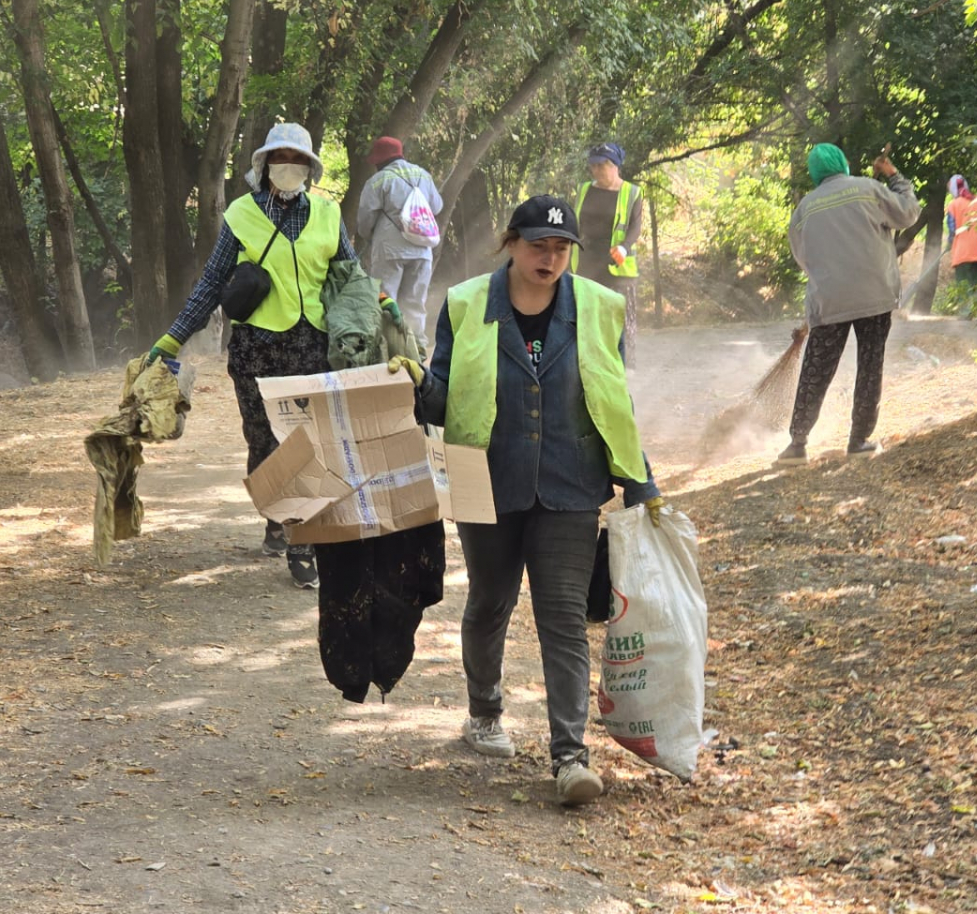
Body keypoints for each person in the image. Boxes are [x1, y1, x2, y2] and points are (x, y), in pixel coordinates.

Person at [389, 194, 663, 806]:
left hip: (570, 482)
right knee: (489, 602)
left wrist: (640, 480)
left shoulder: (597, 307)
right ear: (511, 242)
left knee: (563, 617)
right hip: (484, 477)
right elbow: (439, 402)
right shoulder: (464, 305)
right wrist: (409, 381)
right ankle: (484, 712)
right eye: (538, 245)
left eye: (561, 248)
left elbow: (612, 401)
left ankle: (570, 757)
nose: (550, 257)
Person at [147, 123, 357, 589]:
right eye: (280, 157)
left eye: (297, 158)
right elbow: (211, 283)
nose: (289, 166)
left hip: (313, 346)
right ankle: (276, 519)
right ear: (265, 165)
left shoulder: (327, 213)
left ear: (309, 166)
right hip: (257, 350)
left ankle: (302, 544)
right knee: (264, 445)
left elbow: (350, 273)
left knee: (307, 444)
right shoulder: (242, 214)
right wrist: (174, 338)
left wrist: (380, 309)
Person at [777, 144, 920, 466]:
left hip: (829, 300)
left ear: (814, 172)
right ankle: (859, 441)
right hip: (875, 295)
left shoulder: (804, 209)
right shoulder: (869, 189)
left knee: (817, 368)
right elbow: (908, 213)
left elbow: (803, 258)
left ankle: (796, 445)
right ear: (843, 162)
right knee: (870, 365)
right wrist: (894, 176)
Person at [356, 136, 443, 357]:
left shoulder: (378, 180)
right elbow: (437, 206)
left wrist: (368, 237)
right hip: (422, 248)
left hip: (389, 250)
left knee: (386, 300)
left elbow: (365, 220)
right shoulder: (423, 174)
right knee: (415, 302)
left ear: (379, 160)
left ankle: (389, 351)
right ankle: (417, 352)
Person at [571, 142, 643, 363]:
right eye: (593, 166)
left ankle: (623, 364)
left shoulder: (632, 192)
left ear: (615, 166)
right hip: (586, 260)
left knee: (619, 315)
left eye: (601, 166)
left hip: (616, 262)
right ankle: (590, 361)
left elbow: (635, 226)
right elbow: (574, 221)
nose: (596, 171)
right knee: (587, 314)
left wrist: (624, 247)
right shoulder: (584, 189)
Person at [946, 174, 977, 290]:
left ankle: (965, 309)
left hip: (962, 253)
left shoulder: (953, 205)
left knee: (963, 290)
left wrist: (949, 243)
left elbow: (952, 230)